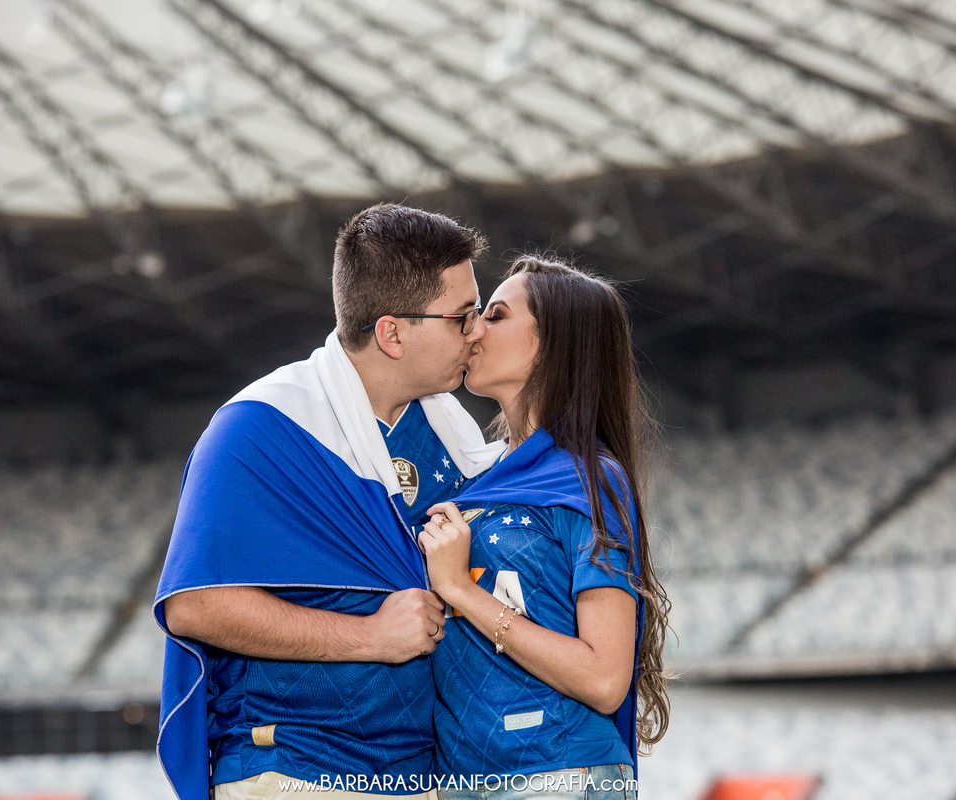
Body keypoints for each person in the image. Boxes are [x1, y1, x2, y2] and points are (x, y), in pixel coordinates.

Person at [154, 204, 506, 800]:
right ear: (392, 333)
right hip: (294, 770)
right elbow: (194, 606)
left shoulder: (458, 439)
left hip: (428, 775)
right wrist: (369, 637)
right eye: (462, 316)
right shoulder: (259, 428)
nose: (477, 332)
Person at [416, 255, 671, 798]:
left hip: (558, 775)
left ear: (552, 344)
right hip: (460, 781)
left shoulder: (589, 480)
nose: (473, 327)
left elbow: (604, 680)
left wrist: (461, 589)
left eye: (495, 315)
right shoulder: (475, 481)